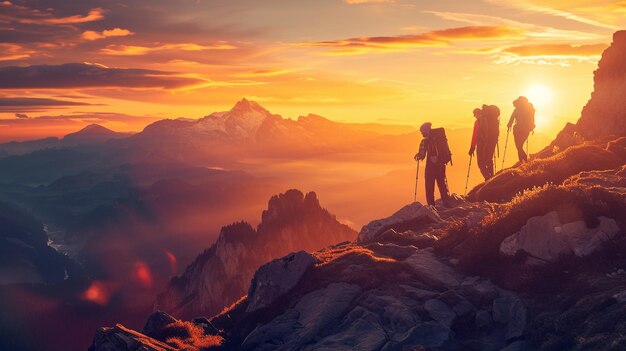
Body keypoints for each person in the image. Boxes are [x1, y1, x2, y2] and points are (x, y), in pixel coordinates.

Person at [414, 122, 451, 207]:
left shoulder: (425, 141)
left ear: (425, 131)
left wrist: (418, 155)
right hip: (441, 165)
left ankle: (431, 205)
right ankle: (446, 202)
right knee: (442, 183)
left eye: (422, 132)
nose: (421, 134)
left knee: (429, 186)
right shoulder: (439, 139)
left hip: (430, 167)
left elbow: (422, 155)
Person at [469, 105, 500, 180]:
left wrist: (472, 148)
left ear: (476, 114)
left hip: (482, 143)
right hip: (492, 141)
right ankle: (492, 176)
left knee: (480, 163)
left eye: (474, 115)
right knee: (489, 159)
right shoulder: (491, 120)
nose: (475, 116)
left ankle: (487, 177)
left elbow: (475, 135)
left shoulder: (478, 122)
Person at [507, 96, 535, 162]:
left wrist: (509, 125)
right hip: (526, 130)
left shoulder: (517, 109)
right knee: (519, 146)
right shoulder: (530, 109)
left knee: (518, 147)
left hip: (517, 130)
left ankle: (522, 159)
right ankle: (523, 160)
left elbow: (512, 118)